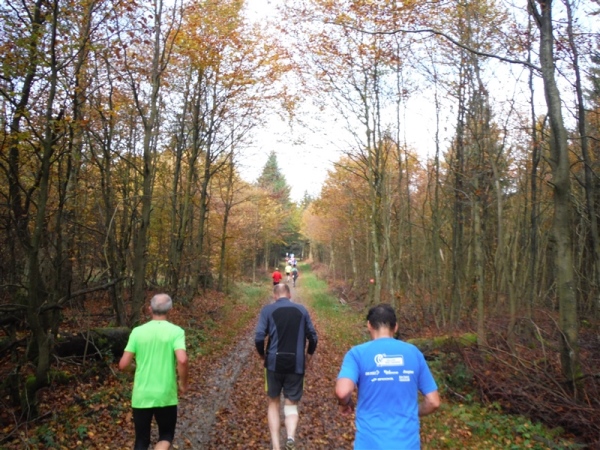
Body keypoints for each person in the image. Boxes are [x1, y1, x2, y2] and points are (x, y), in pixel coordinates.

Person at [335, 304, 440, 450]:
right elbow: (434, 402)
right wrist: (410, 412)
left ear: (369, 325)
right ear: (395, 327)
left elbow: (342, 391)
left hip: (369, 444)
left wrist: (345, 403)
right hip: (407, 445)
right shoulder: (414, 353)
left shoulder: (356, 354)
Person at [119, 293, 189, 450]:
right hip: (165, 394)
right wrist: (183, 384)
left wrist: (133, 369)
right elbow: (182, 360)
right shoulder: (176, 332)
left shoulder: (137, 332)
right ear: (170, 310)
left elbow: (123, 365)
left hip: (142, 394)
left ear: (150, 309)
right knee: (166, 435)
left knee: (141, 440)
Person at [255, 284, 318, 450]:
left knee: (273, 403)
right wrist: (308, 357)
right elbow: (313, 337)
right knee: (291, 405)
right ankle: (290, 437)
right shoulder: (302, 310)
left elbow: (259, 337)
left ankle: (276, 446)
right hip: (296, 364)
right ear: (289, 295)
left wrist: (262, 355)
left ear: (275, 296)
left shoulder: (267, 310)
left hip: (273, 365)